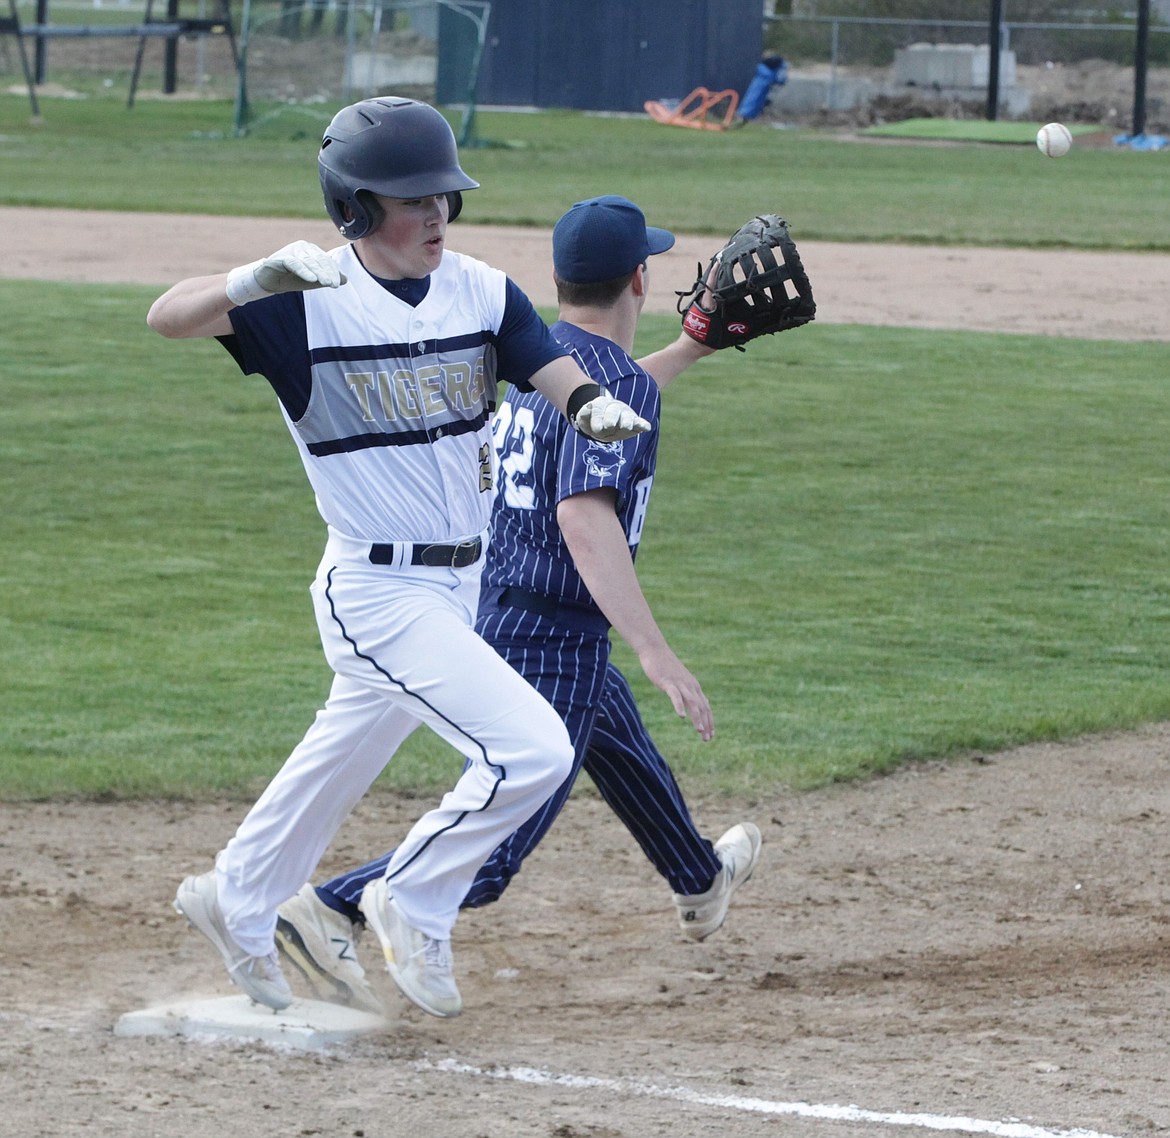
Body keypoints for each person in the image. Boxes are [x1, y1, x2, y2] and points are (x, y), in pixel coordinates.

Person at [146, 98, 654, 1020]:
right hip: (377, 590)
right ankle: (412, 897)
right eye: (411, 201)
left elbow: (547, 364)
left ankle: (239, 895)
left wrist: (590, 406)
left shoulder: (482, 291)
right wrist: (250, 280)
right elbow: (166, 318)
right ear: (353, 208)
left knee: (340, 756)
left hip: (458, 582)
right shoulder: (299, 302)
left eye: (444, 198)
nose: (436, 216)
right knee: (530, 750)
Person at [272, 195, 763, 1018]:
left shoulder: (533, 352)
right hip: (557, 632)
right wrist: (654, 647)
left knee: (616, 738)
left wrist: (692, 349)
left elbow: (618, 396)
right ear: (641, 278)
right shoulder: (605, 384)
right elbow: (583, 513)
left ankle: (699, 879)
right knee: (495, 847)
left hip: (493, 604)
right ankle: (335, 905)